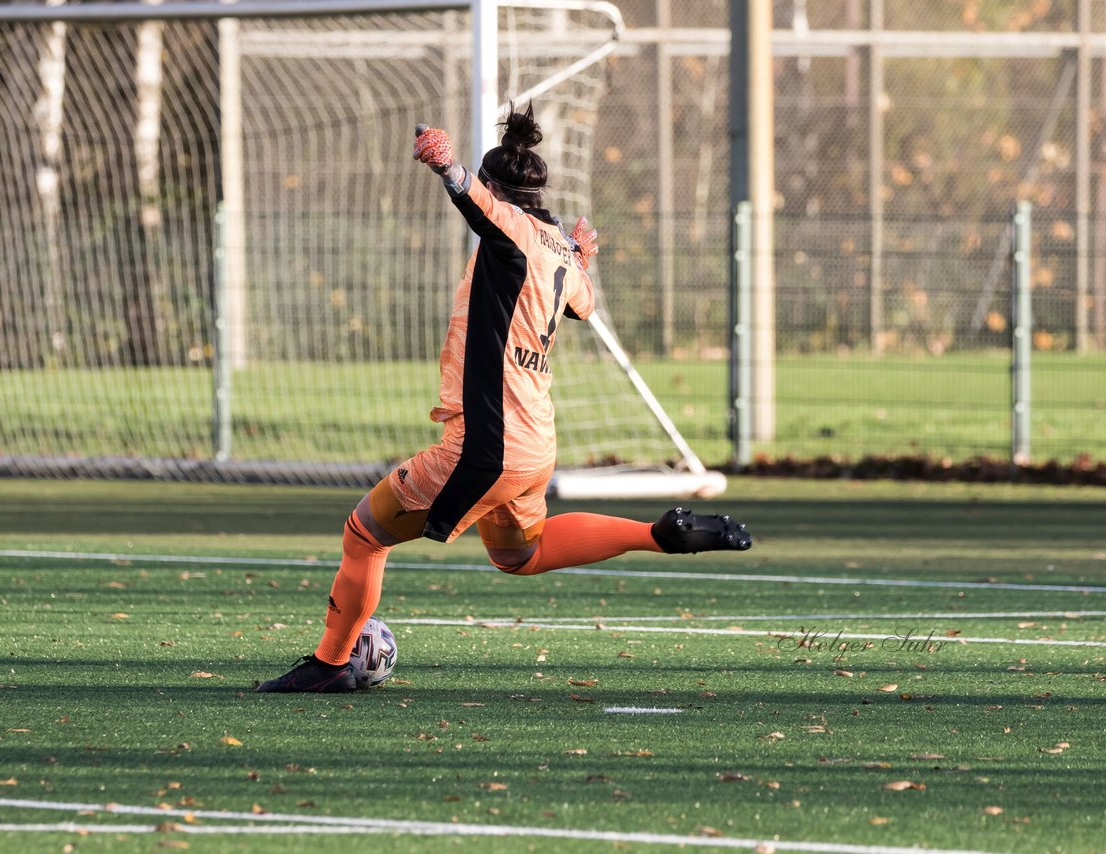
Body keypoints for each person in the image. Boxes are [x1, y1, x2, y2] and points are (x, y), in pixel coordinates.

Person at [257, 104, 752, 693]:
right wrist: (581, 255)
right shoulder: (559, 249)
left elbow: (484, 210)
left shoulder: (511, 229)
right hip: (534, 444)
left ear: (500, 189)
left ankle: (331, 662)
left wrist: (449, 170)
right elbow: (582, 301)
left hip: (484, 447)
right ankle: (655, 534)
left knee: (363, 536)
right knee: (521, 555)